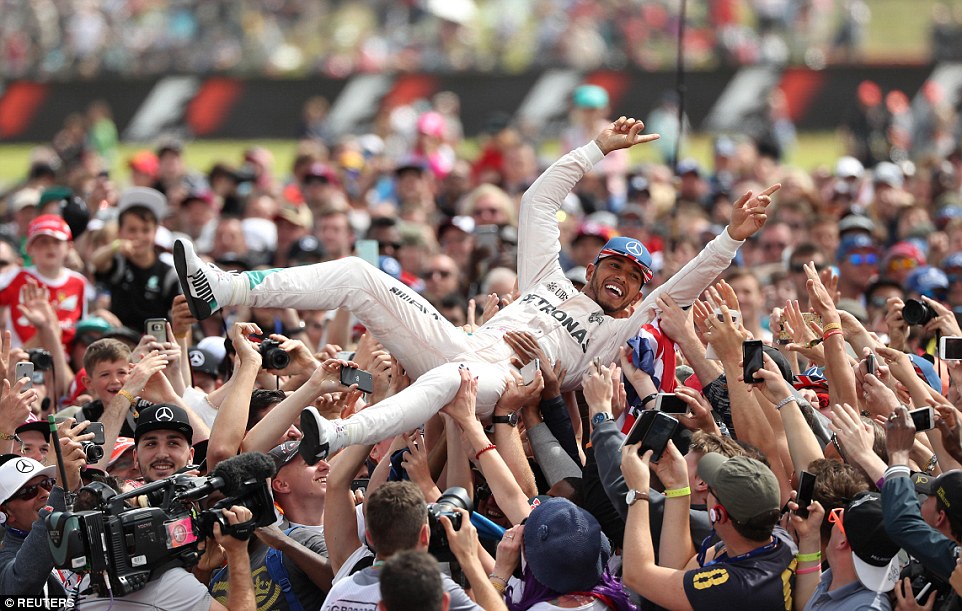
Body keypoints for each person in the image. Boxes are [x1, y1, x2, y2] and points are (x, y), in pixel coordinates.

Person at [174, 117, 778, 464]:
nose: (622, 278)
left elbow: (689, 279)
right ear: (593, 265)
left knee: (452, 383)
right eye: (614, 265)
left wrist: (731, 235)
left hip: (503, 384)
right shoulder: (546, 279)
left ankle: (333, 436)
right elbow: (537, 202)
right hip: (460, 343)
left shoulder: (619, 326)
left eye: (634, 277)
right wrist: (596, 149)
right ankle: (220, 288)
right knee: (360, 276)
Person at [620, 448, 796, 610]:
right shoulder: (776, 539)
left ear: (718, 514)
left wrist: (638, 492)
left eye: (711, 489)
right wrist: (677, 487)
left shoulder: (738, 586)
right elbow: (679, 570)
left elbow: (636, 576)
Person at [320, 481, 498, 611]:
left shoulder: (341, 590)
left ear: (370, 538)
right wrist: (469, 558)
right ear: (424, 535)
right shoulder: (430, 588)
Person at [89, 187, 180, 331]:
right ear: (120, 232)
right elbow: (95, 262)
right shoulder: (117, 263)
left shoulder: (168, 274)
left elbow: (179, 319)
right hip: (119, 340)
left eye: (145, 230)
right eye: (132, 230)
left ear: (155, 231)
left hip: (155, 344)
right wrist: (115, 246)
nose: (139, 236)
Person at [0, 214, 88, 349]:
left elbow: (81, 325)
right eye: (43, 241)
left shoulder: (79, 282)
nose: (50, 247)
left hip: (64, 361)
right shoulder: (16, 276)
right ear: (29, 248)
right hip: (22, 357)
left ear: (69, 247)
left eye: (57, 241)